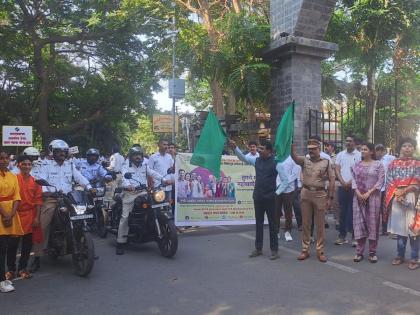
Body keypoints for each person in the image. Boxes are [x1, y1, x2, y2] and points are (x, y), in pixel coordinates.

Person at [30, 140, 92, 272]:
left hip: (69, 198)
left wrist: (89, 187)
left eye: (64, 151)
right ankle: (37, 257)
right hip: (52, 199)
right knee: (42, 224)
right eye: (59, 151)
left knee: (81, 213)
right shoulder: (45, 165)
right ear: (53, 152)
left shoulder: (70, 165)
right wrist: (47, 192)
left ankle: (85, 245)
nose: (62, 154)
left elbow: (79, 177)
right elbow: (40, 180)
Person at [230, 139, 288, 260]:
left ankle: (274, 250)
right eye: (259, 148)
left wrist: (277, 193)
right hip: (258, 197)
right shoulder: (256, 160)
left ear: (269, 150)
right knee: (259, 223)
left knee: (273, 225)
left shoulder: (277, 163)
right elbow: (243, 158)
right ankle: (258, 249)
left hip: (271, 198)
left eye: (262, 149)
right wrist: (235, 148)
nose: (259, 150)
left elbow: (286, 181)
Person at [117, 147, 169, 255]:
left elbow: (153, 173)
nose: (138, 157)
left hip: (143, 192)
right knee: (125, 216)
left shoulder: (145, 164)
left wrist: (164, 180)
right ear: (131, 157)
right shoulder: (126, 165)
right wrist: (128, 186)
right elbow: (124, 177)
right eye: (135, 155)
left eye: (140, 155)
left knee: (156, 205)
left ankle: (152, 228)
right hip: (130, 193)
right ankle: (120, 242)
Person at [291, 139, 335, 263]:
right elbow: (294, 158)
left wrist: (330, 197)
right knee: (306, 224)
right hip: (306, 193)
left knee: (320, 225)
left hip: (320, 194)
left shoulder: (326, 162)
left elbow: (332, 179)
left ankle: (320, 251)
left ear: (319, 149)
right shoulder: (305, 160)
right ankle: (305, 250)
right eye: (309, 149)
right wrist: (291, 148)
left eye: (313, 149)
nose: (310, 151)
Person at [6, 156, 42, 280]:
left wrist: (37, 218)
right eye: (24, 164)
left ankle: (22, 269)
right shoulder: (14, 179)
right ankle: (10, 270)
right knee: (12, 245)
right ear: (19, 165)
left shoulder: (36, 182)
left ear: (31, 166)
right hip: (15, 215)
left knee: (27, 246)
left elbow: (38, 201)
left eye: (29, 164)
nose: (27, 166)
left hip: (30, 216)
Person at [386, 138, 420, 270]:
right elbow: (389, 179)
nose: (407, 148)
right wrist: (397, 193)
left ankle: (414, 257)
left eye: (410, 146)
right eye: (404, 146)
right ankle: (400, 255)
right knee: (400, 230)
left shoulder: (417, 163)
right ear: (400, 148)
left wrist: (404, 190)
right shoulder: (393, 163)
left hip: (413, 197)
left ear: (414, 148)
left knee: (414, 229)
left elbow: (418, 179)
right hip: (397, 199)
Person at [351, 143, 384, 263]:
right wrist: (359, 194)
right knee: (359, 224)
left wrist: (368, 193)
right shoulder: (356, 165)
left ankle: (372, 252)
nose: (362, 151)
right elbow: (353, 180)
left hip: (373, 198)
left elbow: (380, 181)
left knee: (372, 224)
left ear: (371, 152)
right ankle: (359, 252)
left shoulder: (378, 165)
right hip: (358, 199)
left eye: (365, 149)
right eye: (361, 149)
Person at [0, 149, 23, 293]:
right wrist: (5, 215)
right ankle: (2, 280)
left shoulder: (13, 176)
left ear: (9, 160)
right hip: (1, 215)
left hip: (12, 215)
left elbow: (17, 196)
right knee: (1, 249)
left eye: (6, 158)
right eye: (1, 158)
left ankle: (5, 274)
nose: (3, 160)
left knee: (11, 246)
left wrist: (11, 214)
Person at [335, 135, 361, 246]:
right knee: (342, 211)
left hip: (354, 187)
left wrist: (350, 182)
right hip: (342, 187)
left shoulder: (359, 155)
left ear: (354, 143)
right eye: (346, 140)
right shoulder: (340, 155)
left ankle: (355, 237)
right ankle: (342, 236)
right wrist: (342, 182)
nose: (348, 143)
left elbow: (359, 171)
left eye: (350, 141)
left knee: (354, 212)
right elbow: (337, 169)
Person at [275, 155, 302, 242]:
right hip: (278, 187)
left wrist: (285, 182)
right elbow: (275, 173)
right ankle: (276, 231)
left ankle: (288, 231)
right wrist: (279, 184)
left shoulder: (293, 159)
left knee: (288, 212)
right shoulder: (277, 158)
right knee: (276, 211)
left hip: (289, 189)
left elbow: (295, 174)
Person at [375, 144, 396, 235]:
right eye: (376, 151)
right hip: (378, 188)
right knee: (377, 208)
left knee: (386, 208)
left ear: (382, 150)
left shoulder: (390, 158)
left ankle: (386, 228)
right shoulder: (375, 160)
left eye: (378, 151)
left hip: (388, 187)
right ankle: (379, 229)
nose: (377, 153)